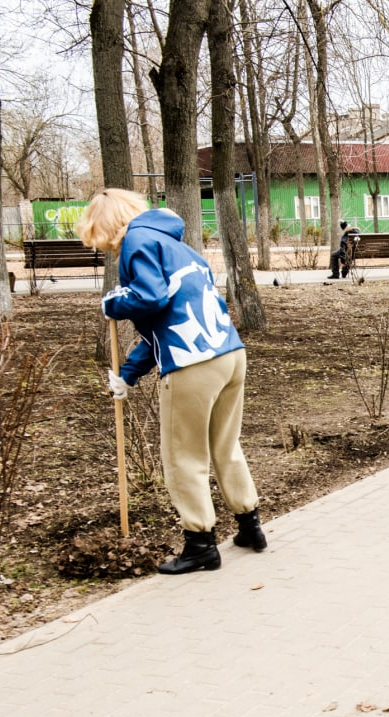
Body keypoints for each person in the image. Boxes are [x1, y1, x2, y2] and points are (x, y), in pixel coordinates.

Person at [77, 188, 267, 575]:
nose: (106, 248)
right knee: (225, 447)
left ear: (109, 223)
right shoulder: (181, 248)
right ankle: (251, 527)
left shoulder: (137, 240)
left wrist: (112, 302)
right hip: (229, 355)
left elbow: (149, 299)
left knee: (183, 457)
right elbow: (161, 325)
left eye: (99, 236)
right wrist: (127, 376)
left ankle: (200, 545)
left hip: (192, 364)